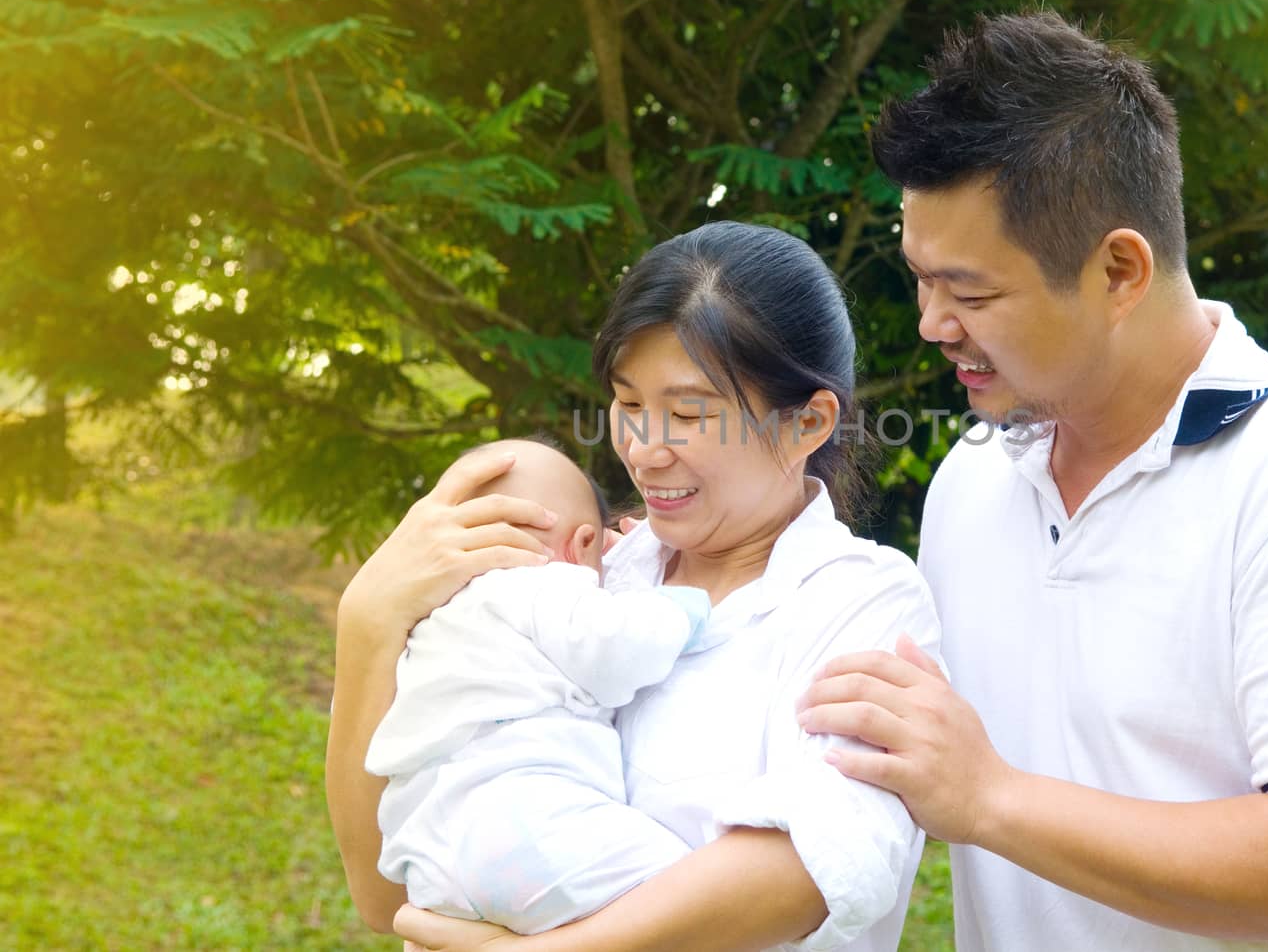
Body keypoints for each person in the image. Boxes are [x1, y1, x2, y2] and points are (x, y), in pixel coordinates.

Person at [799, 10, 1268, 951]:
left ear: (1118, 271)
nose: (933, 323)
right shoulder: (974, 481)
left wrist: (993, 799)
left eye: (971, 292)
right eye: (921, 279)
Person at [326, 221, 942, 952]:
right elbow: (385, 888)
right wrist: (368, 621)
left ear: (806, 422)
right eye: (627, 403)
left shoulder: (860, 604)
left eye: (687, 415)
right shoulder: (582, 575)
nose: (645, 451)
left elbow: (807, 871)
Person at [365, 436, 710, 934]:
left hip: (427, 853)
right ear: (586, 543)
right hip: (525, 822)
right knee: (689, 899)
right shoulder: (542, 584)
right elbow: (615, 649)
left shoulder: (432, 617)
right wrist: (678, 606)